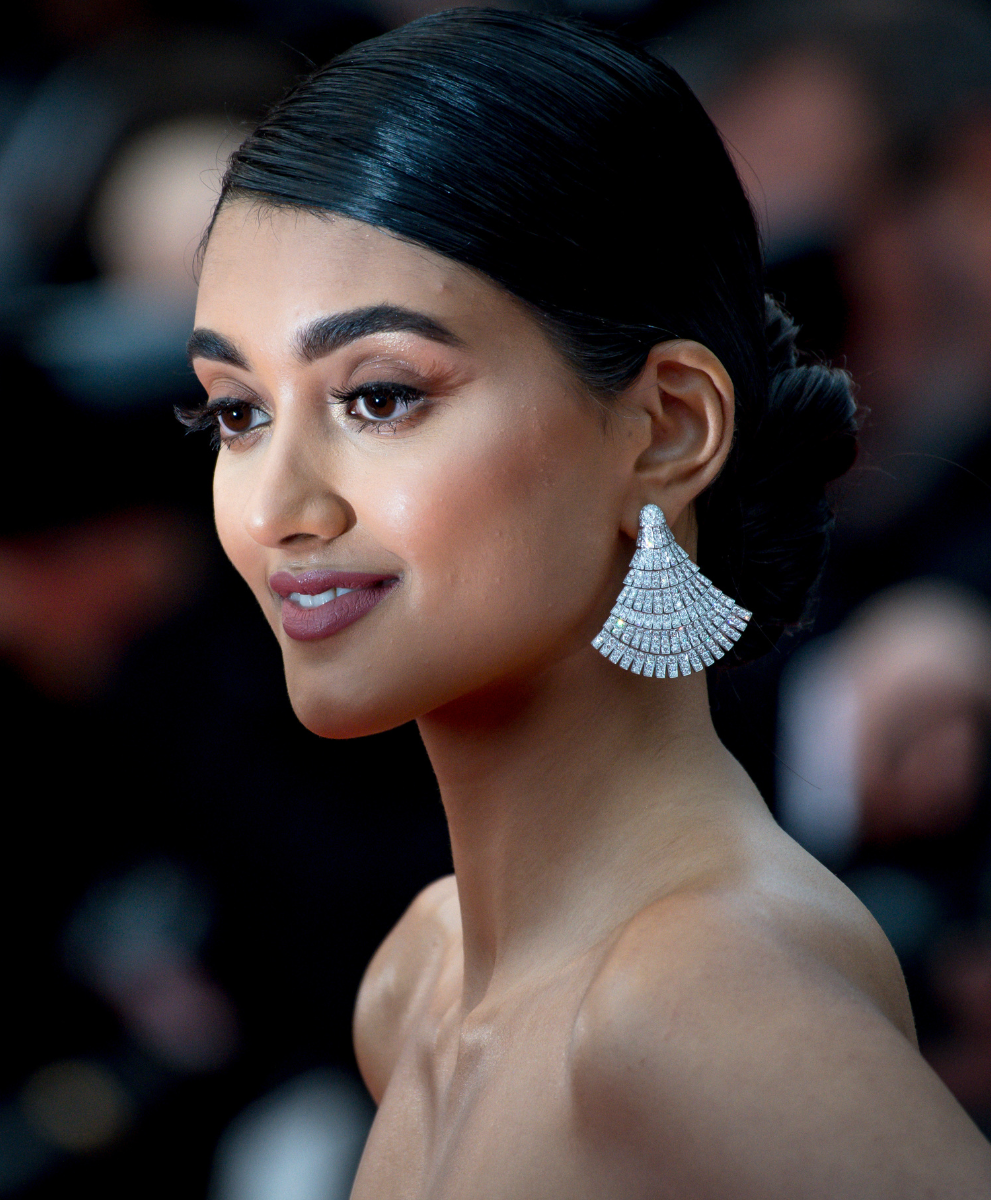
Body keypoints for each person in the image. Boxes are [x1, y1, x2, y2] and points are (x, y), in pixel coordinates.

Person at [181, 9, 991, 1196]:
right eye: (237, 411)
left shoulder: (696, 997)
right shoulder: (421, 974)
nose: (276, 507)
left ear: (667, 429)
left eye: (384, 396)